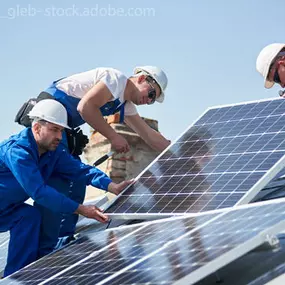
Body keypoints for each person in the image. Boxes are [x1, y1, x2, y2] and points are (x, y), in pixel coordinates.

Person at [15, 65, 171, 249]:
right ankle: (47, 245)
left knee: (77, 182)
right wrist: (113, 136)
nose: (149, 101)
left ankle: (63, 241)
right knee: (61, 180)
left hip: (63, 127)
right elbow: (86, 107)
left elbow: (148, 135)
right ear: (143, 79)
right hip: (50, 121)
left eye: (153, 100)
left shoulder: (124, 104)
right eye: (152, 94)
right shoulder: (115, 80)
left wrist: (180, 150)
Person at [0, 99, 131, 277]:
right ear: (37, 128)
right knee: (30, 214)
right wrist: (81, 209)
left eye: (61, 130)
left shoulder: (52, 153)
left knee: (28, 216)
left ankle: (17, 278)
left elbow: (81, 170)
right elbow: (39, 192)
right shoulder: (17, 152)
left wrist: (112, 186)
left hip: (6, 210)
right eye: (54, 130)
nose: (60, 137)